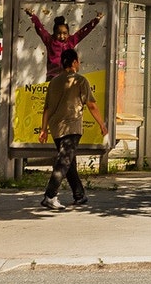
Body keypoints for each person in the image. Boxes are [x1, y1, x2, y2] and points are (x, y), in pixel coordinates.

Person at [38, 48, 108, 211]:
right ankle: (50, 195)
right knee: (64, 162)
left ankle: (79, 194)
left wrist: (43, 129)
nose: (80, 63)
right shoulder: (80, 80)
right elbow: (91, 104)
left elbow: (47, 108)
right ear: (75, 62)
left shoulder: (54, 81)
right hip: (72, 127)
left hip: (56, 127)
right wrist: (102, 124)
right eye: (79, 61)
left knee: (69, 162)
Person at [27, 8, 104, 81]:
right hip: (53, 76)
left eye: (64, 33)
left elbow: (83, 32)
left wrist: (96, 20)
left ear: (68, 33)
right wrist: (33, 16)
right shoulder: (50, 41)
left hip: (68, 75)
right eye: (59, 33)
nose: (62, 36)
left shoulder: (71, 41)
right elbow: (40, 29)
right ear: (54, 33)